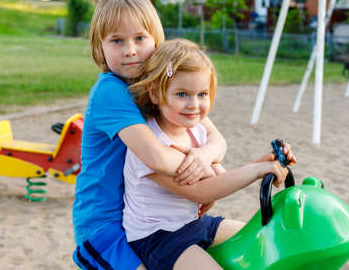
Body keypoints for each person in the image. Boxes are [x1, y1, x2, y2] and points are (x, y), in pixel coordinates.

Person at [72, 0, 228, 270]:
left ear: (156, 39)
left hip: (149, 219)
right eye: (117, 41)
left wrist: (205, 158)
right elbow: (156, 158)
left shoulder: (158, 85)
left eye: (140, 38)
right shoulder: (110, 91)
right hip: (105, 227)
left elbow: (216, 139)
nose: (130, 50)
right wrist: (207, 174)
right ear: (100, 47)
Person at [124, 39, 296, 270]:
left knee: (264, 238)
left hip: (196, 223)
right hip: (159, 237)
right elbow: (201, 191)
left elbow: (218, 177)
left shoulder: (195, 128)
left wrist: (266, 162)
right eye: (182, 94)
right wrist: (256, 170)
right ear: (155, 94)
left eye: (202, 94)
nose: (193, 104)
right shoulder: (151, 142)